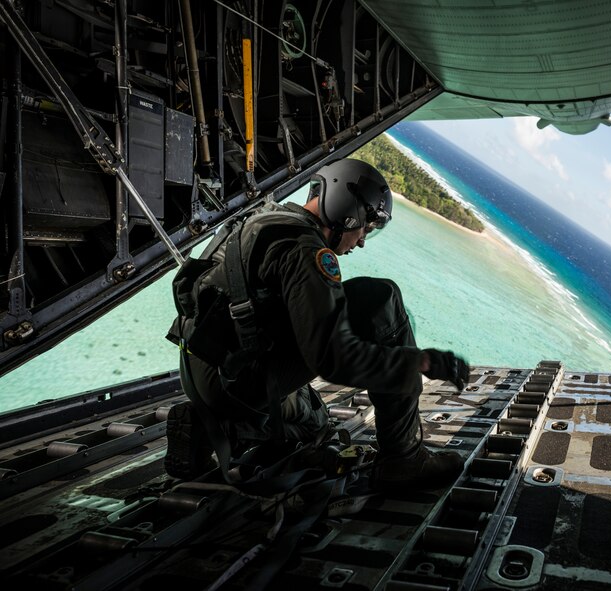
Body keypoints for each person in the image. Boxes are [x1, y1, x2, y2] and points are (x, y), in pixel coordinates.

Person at [165, 158, 470, 490]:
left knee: (316, 422)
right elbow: (335, 360)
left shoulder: (263, 220)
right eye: (365, 228)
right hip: (233, 378)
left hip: (199, 367)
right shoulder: (304, 248)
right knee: (381, 300)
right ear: (347, 210)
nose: (362, 240)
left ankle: (210, 429)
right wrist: (422, 362)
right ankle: (404, 458)